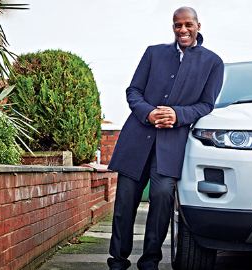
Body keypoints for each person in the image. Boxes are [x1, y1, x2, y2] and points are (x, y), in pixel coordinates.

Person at [106, 6, 225, 270]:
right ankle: (117, 261)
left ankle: (149, 262)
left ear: (198, 26)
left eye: (188, 25)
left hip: (172, 146)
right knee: (125, 204)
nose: (182, 30)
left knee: (161, 201)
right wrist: (148, 113)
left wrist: (177, 114)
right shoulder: (153, 53)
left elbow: (206, 105)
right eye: (177, 25)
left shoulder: (213, 62)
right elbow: (133, 90)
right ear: (173, 27)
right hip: (137, 139)